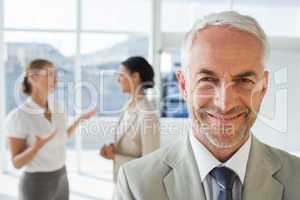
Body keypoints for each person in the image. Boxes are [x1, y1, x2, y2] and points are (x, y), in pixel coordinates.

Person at [114, 11, 300, 200]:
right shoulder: (136, 185)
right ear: (184, 85)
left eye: (243, 80)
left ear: (264, 87)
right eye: (208, 79)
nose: (225, 104)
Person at [6, 59, 96, 200]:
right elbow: (16, 163)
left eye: (56, 75)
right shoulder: (18, 116)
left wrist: (79, 121)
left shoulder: (59, 108)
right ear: (32, 77)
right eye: (49, 75)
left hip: (61, 177)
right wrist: (36, 147)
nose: (55, 80)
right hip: (36, 182)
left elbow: (62, 137)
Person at [99, 56, 160, 183]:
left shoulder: (147, 114)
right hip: (121, 181)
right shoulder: (128, 107)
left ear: (135, 77)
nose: (118, 80)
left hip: (135, 185)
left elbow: (150, 163)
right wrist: (114, 149)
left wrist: (115, 157)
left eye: (121, 75)